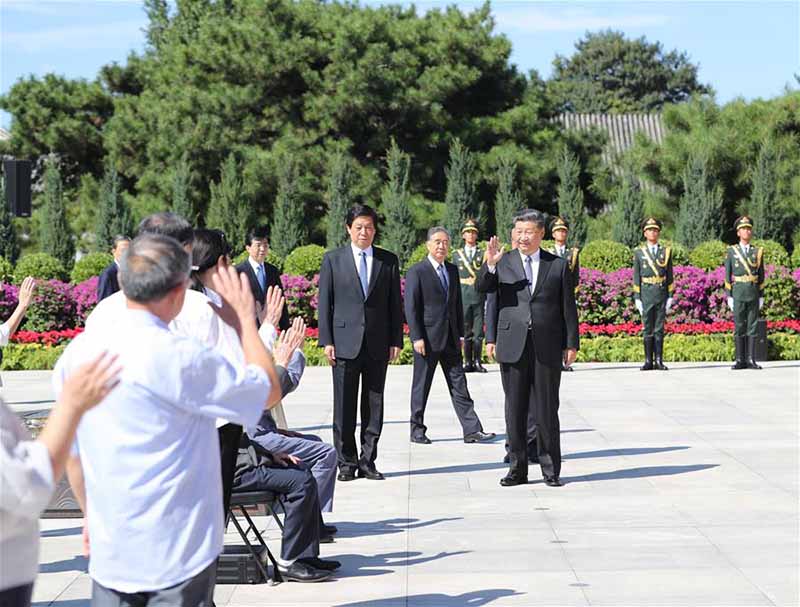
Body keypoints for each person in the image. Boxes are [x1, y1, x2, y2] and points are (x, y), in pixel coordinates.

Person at [57, 234, 281, 606]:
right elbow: (266, 392)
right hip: (177, 551)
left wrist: (91, 514)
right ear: (179, 290)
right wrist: (246, 322)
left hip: (114, 546)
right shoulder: (186, 358)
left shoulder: (79, 351)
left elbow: (74, 451)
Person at [477, 209, 579, 488]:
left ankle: (550, 469)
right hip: (512, 344)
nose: (523, 237)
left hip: (547, 344)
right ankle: (517, 468)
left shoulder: (556, 265)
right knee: (515, 409)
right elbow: (485, 293)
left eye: (528, 232)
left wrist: (572, 342)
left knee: (547, 409)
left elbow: (567, 307)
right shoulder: (503, 262)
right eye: (518, 232)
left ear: (540, 234)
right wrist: (490, 266)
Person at [318, 204, 403, 482]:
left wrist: (395, 340)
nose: (364, 232)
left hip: (378, 343)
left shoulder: (387, 261)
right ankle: (345, 461)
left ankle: (368, 460)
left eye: (369, 227)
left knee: (373, 404)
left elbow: (394, 304)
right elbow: (325, 303)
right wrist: (326, 340)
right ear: (348, 229)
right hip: (343, 343)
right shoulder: (333, 260)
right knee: (343, 405)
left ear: (375, 230)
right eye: (358, 227)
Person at [404, 226, 495, 445]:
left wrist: (461, 334)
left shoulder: (452, 270)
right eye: (437, 241)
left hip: (451, 339)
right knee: (421, 386)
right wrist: (416, 337)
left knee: (459, 384)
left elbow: (456, 305)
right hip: (426, 339)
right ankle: (417, 430)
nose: (441, 246)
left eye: (445, 242)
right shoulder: (417, 271)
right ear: (428, 244)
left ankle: (472, 429)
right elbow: (411, 307)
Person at [632, 218, 673, 371]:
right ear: (645, 233)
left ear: (658, 233)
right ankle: (648, 360)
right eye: (649, 230)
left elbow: (670, 276)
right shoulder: (639, 253)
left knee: (659, 328)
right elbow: (636, 277)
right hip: (646, 293)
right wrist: (637, 298)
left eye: (655, 230)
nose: (652, 232)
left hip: (661, 292)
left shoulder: (666, 252)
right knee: (647, 327)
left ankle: (659, 360)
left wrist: (670, 296)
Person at [725, 216, 765, 370]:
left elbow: (761, 275)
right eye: (743, 229)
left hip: (753, 291)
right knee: (739, 325)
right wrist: (729, 295)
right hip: (739, 291)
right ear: (738, 232)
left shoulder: (757, 251)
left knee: (752, 325)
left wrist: (761, 295)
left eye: (748, 229)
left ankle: (751, 359)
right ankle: (740, 359)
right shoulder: (732, 251)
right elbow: (727, 274)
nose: (746, 231)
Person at [236, 225, 289, 330]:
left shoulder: (272, 271)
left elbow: (280, 301)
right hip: (246, 331)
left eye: (265, 245)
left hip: (268, 330)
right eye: (258, 245)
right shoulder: (238, 271)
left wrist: (286, 329)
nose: (262, 249)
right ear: (248, 248)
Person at [453, 219, 487, 373]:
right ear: (463, 235)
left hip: (478, 295)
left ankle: (478, 361)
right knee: (466, 331)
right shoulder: (456, 255)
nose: (471, 235)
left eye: (473, 232)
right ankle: (467, 362)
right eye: (468, 232)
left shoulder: (483, 253)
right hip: (463, 296)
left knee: (478, 331)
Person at [549, 217, 580, 372]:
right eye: (558, 231)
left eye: (563, 231)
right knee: (553, 327)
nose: (561, 234)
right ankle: (554, 359)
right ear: (553, 234)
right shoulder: (547, 252)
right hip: (552, 295)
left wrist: (572, 295)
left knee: (566, 327)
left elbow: (575, 277)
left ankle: (565, 359)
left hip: (566, 295)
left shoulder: (573, 253)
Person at [96, 236, 131, 302]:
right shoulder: (108, 274)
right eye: (123, 250)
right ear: (114, 251)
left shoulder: (135, 271)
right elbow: (104, 303)